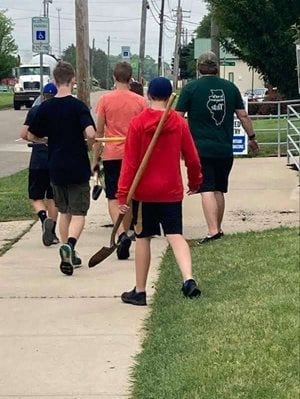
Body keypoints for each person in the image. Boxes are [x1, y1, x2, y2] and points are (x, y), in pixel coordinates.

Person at [117, 77, 203, 306]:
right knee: (175, 235)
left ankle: (140, 290)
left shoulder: (138, 123)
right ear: (169, 98)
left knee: (143, 237)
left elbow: (130, 164)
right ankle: (188, 278)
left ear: (148, 95)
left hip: (144, 193)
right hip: (170, 190)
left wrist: (122, 195)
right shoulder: (178, 123)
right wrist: (196, 182)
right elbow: (192, 159)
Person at [175, 51, 259, 244]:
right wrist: (252, 137)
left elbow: (177, 118)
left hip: (200, 149)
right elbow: (243, 115)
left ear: (199, 66)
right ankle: (218, 228)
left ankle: (213, 231)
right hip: (224, 149)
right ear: (217, 67)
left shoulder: (191, 89)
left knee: (206, 188)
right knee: (219, 189)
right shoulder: (230, 88)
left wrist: (178, 143)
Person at [28, 61, 97, 276]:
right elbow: (92, 133)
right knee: (79, 213)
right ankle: (71, 246)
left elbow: (31, 134)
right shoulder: (78, 106)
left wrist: (48, 138)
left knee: (64, 211)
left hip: (55, 166)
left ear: (55, 81)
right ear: (73, 79)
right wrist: (88, 144)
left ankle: (68, 251)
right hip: (77, 165)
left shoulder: (45, 107)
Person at [92, 62, 147, 260]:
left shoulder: (105, 100)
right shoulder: (140, 101)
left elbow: (99, 132)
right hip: (134, 154)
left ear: (114, 78)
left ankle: (121, 234)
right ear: (131, 78)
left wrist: (95, 159)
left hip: (112, 154)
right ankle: (128, 231)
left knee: (113, 197)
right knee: (130, 195)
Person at [20, 82, 59, 247]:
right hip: (55, 160)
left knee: (36, 196)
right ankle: (53, 231)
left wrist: (38, 140)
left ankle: (43, 219)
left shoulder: (35, 111)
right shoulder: (59, 111)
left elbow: (24, 134)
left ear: (43, 95)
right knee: (53, 197)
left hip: (38, 161)